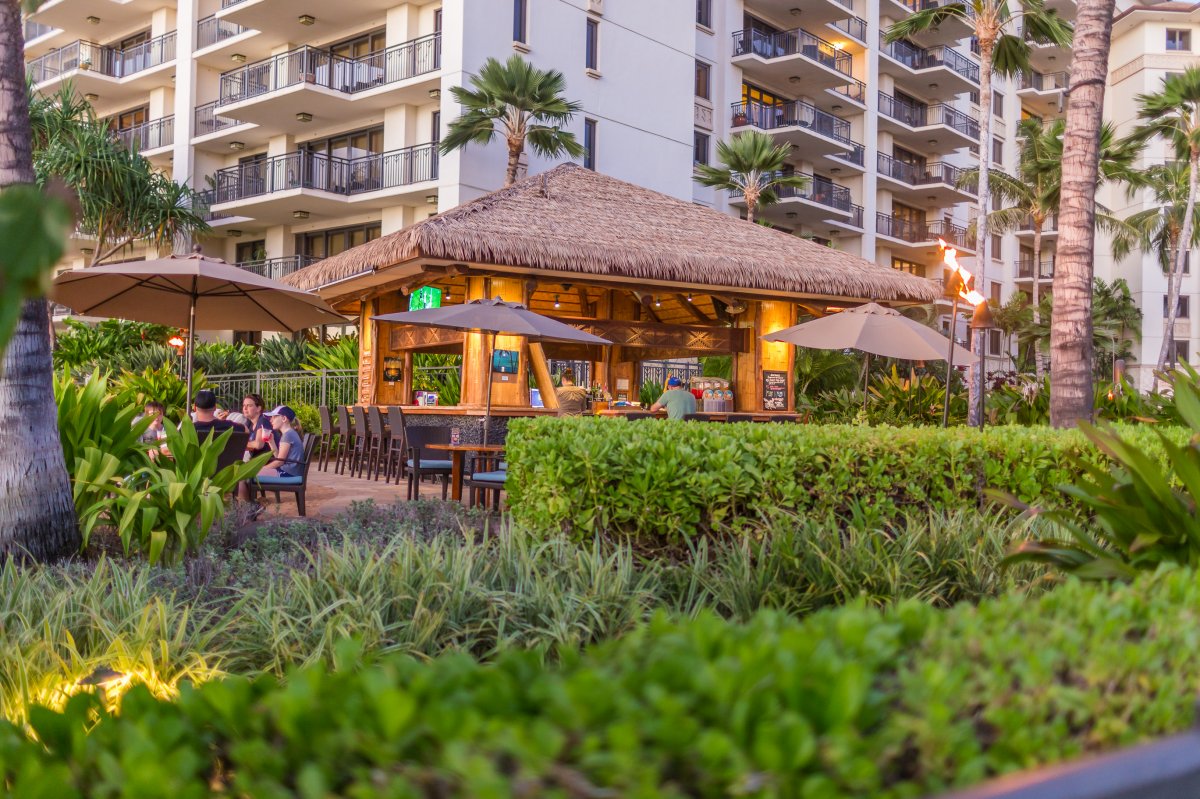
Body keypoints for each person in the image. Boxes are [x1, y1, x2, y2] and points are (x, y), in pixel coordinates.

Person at [259, 406, 305, 478]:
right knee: (252, 475)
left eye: (274, 417)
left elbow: (280, 462)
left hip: (288, 473)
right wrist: (271, 442)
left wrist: (260, 469)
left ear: (284, 418)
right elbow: (279, 458)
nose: (271, 420)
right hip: (290, 472)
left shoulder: (287, 435)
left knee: (250, 475)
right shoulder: (290, 433)